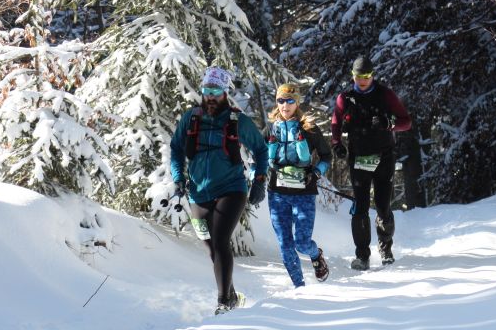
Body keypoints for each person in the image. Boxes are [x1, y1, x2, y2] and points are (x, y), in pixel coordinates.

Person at [170, 66, 269, 314]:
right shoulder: (191, 118)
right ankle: (232, 295)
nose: (210, 97)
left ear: (225, 93)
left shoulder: (237, 121)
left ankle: (223, 302)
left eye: (215, 91)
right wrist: (178, 177)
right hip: (198, 194)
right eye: (206, 91)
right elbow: (176, 149)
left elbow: (261, 149)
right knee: (211, 248)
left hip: (231, 189)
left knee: (221, 240)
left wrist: (259, 179)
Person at [330, 55, 411, 270]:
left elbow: (406, 122)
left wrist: (388, 123)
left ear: (373, 75)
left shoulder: (385, 94)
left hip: (384, 157)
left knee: (383, 206)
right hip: (358, 158)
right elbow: (335, 122)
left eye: (366, 76)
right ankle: (362, 256)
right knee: (361, 208)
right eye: (359, 76)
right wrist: (337, 143)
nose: (363, 80)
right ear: (353, 76)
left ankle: (386, 248)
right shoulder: (345, 98)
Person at [264, 83, 332, 288]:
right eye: (281, 101)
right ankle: (299, 288)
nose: (285, 105)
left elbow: (326, 156)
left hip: (304, 193)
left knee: (302, 243)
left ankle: (316, 254)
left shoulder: (309, 128)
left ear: (297, 103)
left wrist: (317, 172)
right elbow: (260, 154)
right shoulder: (270, 129)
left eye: (290, 101)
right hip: (277, 194)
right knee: (285, 245)